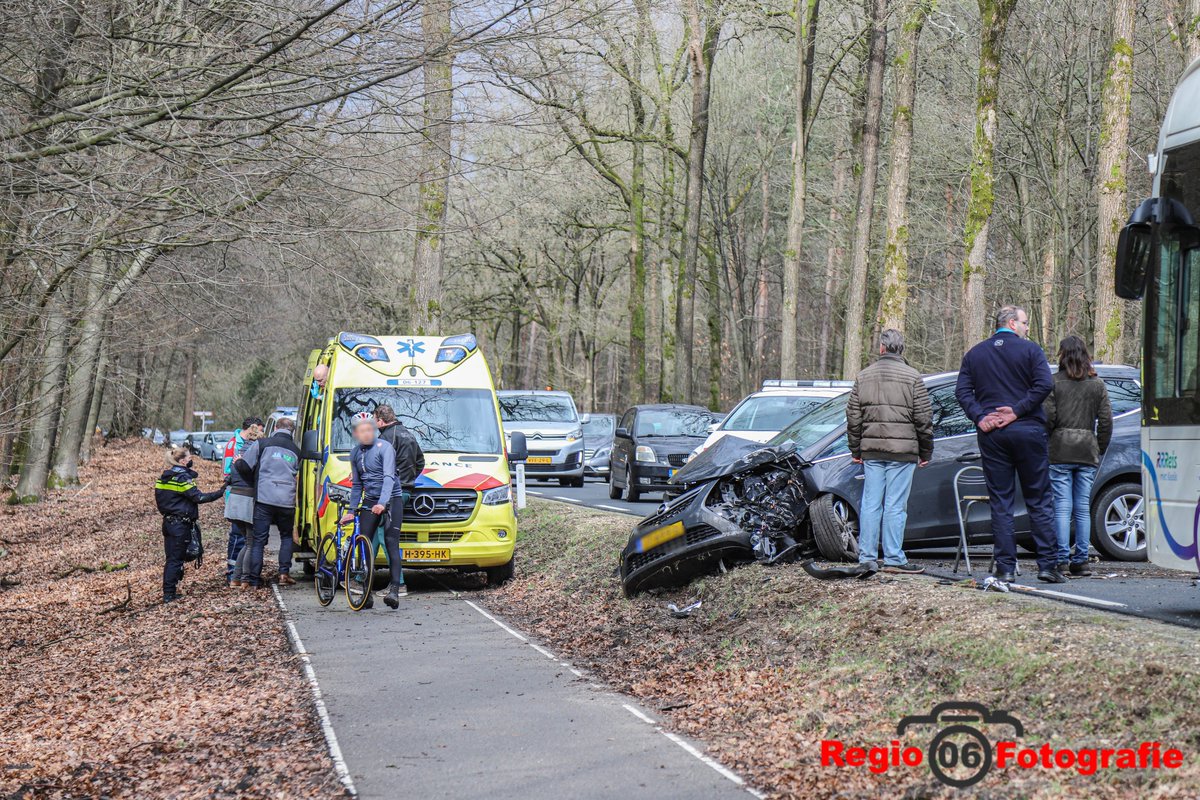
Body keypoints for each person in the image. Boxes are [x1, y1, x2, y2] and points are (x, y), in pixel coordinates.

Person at [955, 305, 1062, 583]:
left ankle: (1005, 567)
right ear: (1013, 323)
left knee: (1000, 501)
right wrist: (1017, 410)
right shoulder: (1030, 350)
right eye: (1025, 323)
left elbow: (962, 391)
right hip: (1027, 430)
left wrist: (980, 417)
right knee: (1038, 498)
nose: (1028, 328)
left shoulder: (975, 354)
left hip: (993, 435)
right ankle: (1048, 565)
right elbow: (1044, 385)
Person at [845, 329, 933, 574]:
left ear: (882, 349)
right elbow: (924, 419)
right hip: (903, 451)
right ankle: (894, 558)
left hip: (872, 451)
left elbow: (853, 417)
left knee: (871, 504)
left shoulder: (864, 376)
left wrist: (856, 448)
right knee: (895, 505)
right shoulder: (913, 377)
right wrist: (926, 452)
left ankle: (867, 557)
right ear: (901, 349)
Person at [1044, 336, 1113, 577]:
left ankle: (1062, 558)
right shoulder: (1097, 384)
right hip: (1087, 449)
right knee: (1082, 507)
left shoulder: (1053, 383)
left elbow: (1048, 418)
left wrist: (1051, 438)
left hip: (1060, 449)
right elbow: (1106, 421)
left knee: (1062, 507)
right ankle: (1081, 560)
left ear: (1063, 355)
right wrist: (1099, 446)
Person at [344, 411, 406, 607]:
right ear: (355, 433)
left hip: (391, 500)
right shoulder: (355, 453)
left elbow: (388, 477)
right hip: (370, 500)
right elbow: (356, 485)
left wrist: (383, 502)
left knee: (390, 542)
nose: (367, 433)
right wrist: (352, 510)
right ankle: (366, 592)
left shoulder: (384, 447)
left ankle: (395, 590)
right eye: (362, 430)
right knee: (364, 543)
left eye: (370, 429)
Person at [235, 417, 300, 589]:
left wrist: (252, 479)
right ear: (292, 431)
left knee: (258, 540)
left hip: (264, 498)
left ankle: (254, 580)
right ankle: (284, 573)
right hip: (287, 500)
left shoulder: (262, 444)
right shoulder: (296, 450)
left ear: (276, 427)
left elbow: (244, 466)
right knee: (286, 537)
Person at [155, 445, 224, 603]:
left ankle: (169, 591)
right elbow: (198, 497)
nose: (192, 460)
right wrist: (222, 491)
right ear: (182, 460)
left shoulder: (164, 477)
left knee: (171, 558)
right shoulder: (182, 478)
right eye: (190, 458)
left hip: (168, 522)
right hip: (180, 524)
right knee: (175, 559)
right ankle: (169, 594)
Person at [224, 416, 264, 588]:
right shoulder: (253, 455)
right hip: (247, 500)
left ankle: (235, 578)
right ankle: (245, 579)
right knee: (251, 542)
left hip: (233, 500)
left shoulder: (238, 454)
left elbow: (229, 475)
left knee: (246, 542)